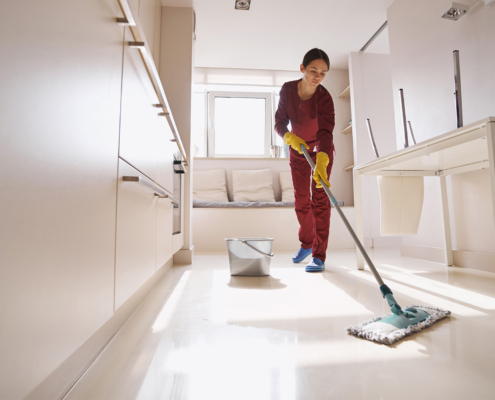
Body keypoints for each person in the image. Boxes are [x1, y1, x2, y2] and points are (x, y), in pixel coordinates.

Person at [274, 48, 335, 272]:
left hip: (320, 152)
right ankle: (307, 244)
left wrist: (321, 159)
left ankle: (319, 255)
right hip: (297, 148)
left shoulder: (325, 98)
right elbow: (279, 122)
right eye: (313, 70)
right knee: (301, 199)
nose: (318, 76)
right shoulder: (288, 90)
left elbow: (326, 132)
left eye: (323, 72)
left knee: (320, 200)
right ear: (302, 68)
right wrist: (288, 136)